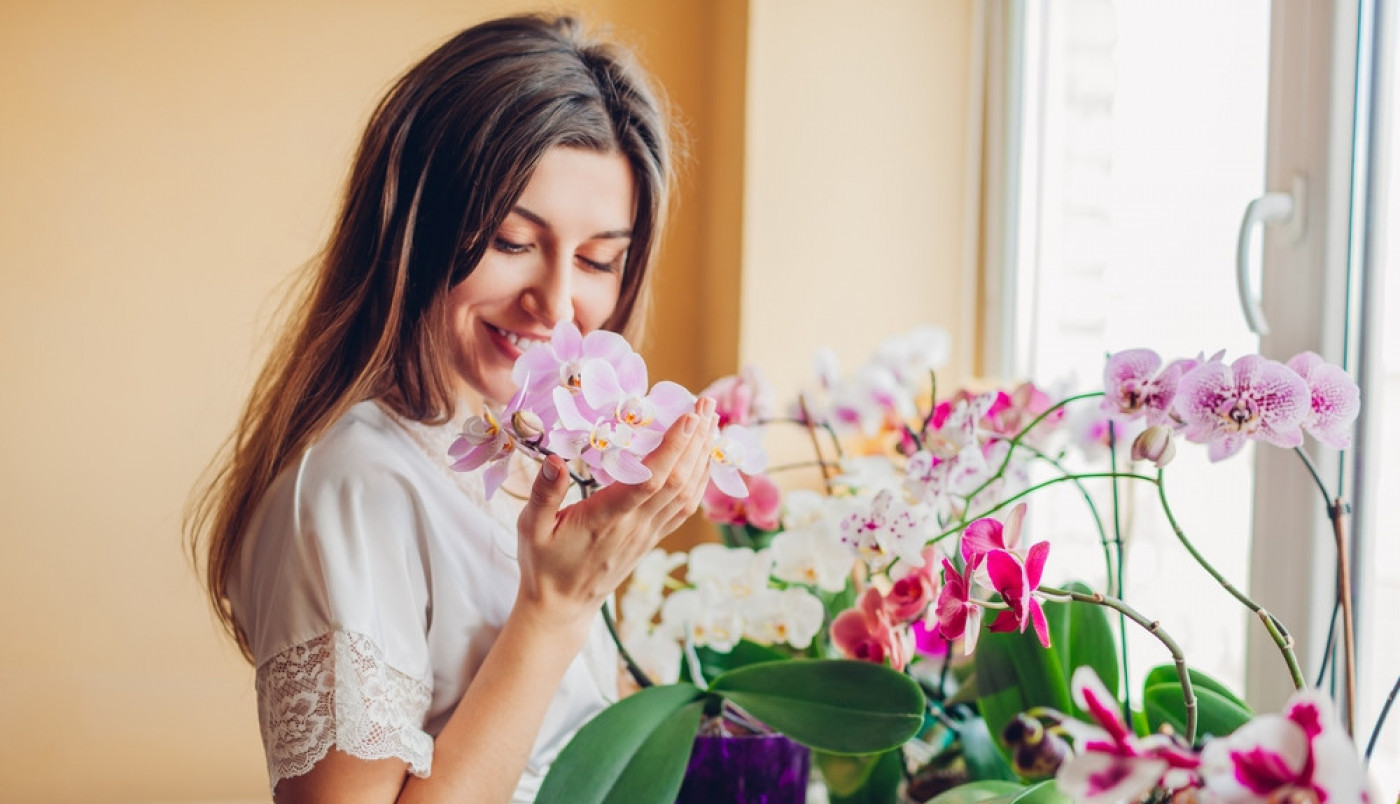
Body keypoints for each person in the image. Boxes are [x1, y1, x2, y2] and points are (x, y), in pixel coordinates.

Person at [187, 14, 716, 804]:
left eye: (601, 258)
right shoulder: (354, 488)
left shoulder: (520, 452)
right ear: (412, 229)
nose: (558, 305)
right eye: (510, 241)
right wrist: (554, 610)